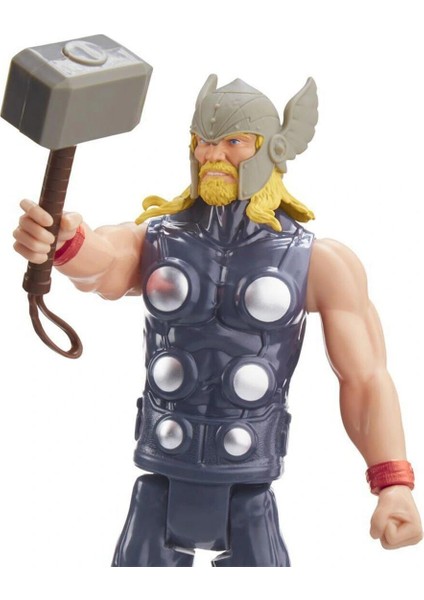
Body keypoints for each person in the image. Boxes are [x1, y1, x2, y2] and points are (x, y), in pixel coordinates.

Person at [13, 75, 423, 566]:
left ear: (272, 150)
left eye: (233, 142)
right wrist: (64, 243)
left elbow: (365, 377)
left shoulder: (319, 262)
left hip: (249, 475)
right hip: (164, 461)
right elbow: (106, 262)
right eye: (203, 142)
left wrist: (393, 483)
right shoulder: (158, 239)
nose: (212, 155)